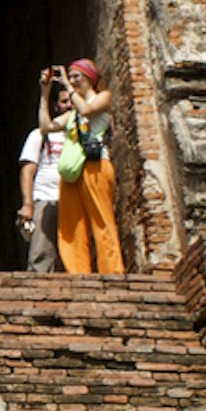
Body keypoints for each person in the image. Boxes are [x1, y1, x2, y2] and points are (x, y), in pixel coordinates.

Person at [55, 56, 122, 275]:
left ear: (89, 79)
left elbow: (86, 110)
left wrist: (66, 85)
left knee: (102, 220)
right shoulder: (73, 112)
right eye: (71, 76)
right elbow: (46, 126)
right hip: (75, 169)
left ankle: (112, 271)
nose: (72, 81)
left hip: (96, 165)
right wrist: (45, 92)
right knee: (71, 224)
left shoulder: (104, 97)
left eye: (76, 76)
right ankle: (78, 272)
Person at [14, 85, 63, 271]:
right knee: (42, 255)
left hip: (75, 201)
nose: (68, 106)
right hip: (46, 198)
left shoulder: (80, 135)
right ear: (56, 106)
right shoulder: (40, 135)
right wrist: (28, 204)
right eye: (64, 101)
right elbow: (27, 170)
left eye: (71, 102)